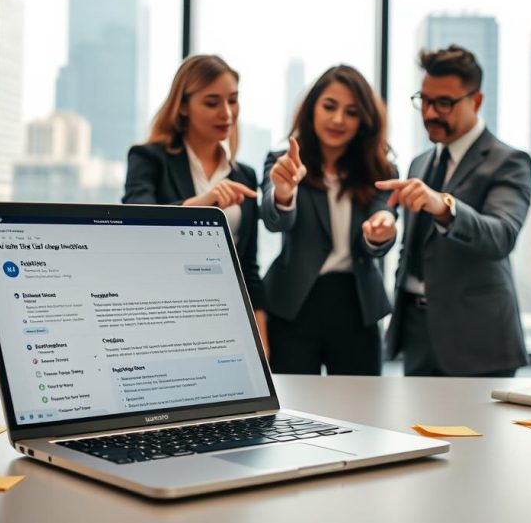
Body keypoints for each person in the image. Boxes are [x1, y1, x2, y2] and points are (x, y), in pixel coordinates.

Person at [376, 45, 531, 377]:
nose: (430, 112)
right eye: (424, 100)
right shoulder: (420, 163)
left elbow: (502, 236)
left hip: (478, 339)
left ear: (476, 101)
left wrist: (444, 206)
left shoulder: (508, 162)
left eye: (444, 103)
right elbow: (415, 249)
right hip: (416, 333)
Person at [123, 55, 267, 352]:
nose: (226, 113)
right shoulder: (148, 158)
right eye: (212, 103)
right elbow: (136, 222)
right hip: (164, 311)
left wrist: (260, 336)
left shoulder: (245, 175)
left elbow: (249, 266)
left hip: (226, 316)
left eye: (233, 101)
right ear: (184, 106)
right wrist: (201, 204)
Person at [261, 65, 398, 375]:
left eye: (351, 112)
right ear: (312, 108)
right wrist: (283, 192)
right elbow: (274, 221)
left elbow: (383, 215)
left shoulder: (381, 169)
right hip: (294, 302)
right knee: (293, 401)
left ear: (364, 120)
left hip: (357, 303)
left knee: (361, 401)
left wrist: (381, 230)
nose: (338, 119)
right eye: (329, 106)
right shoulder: (284, 162)